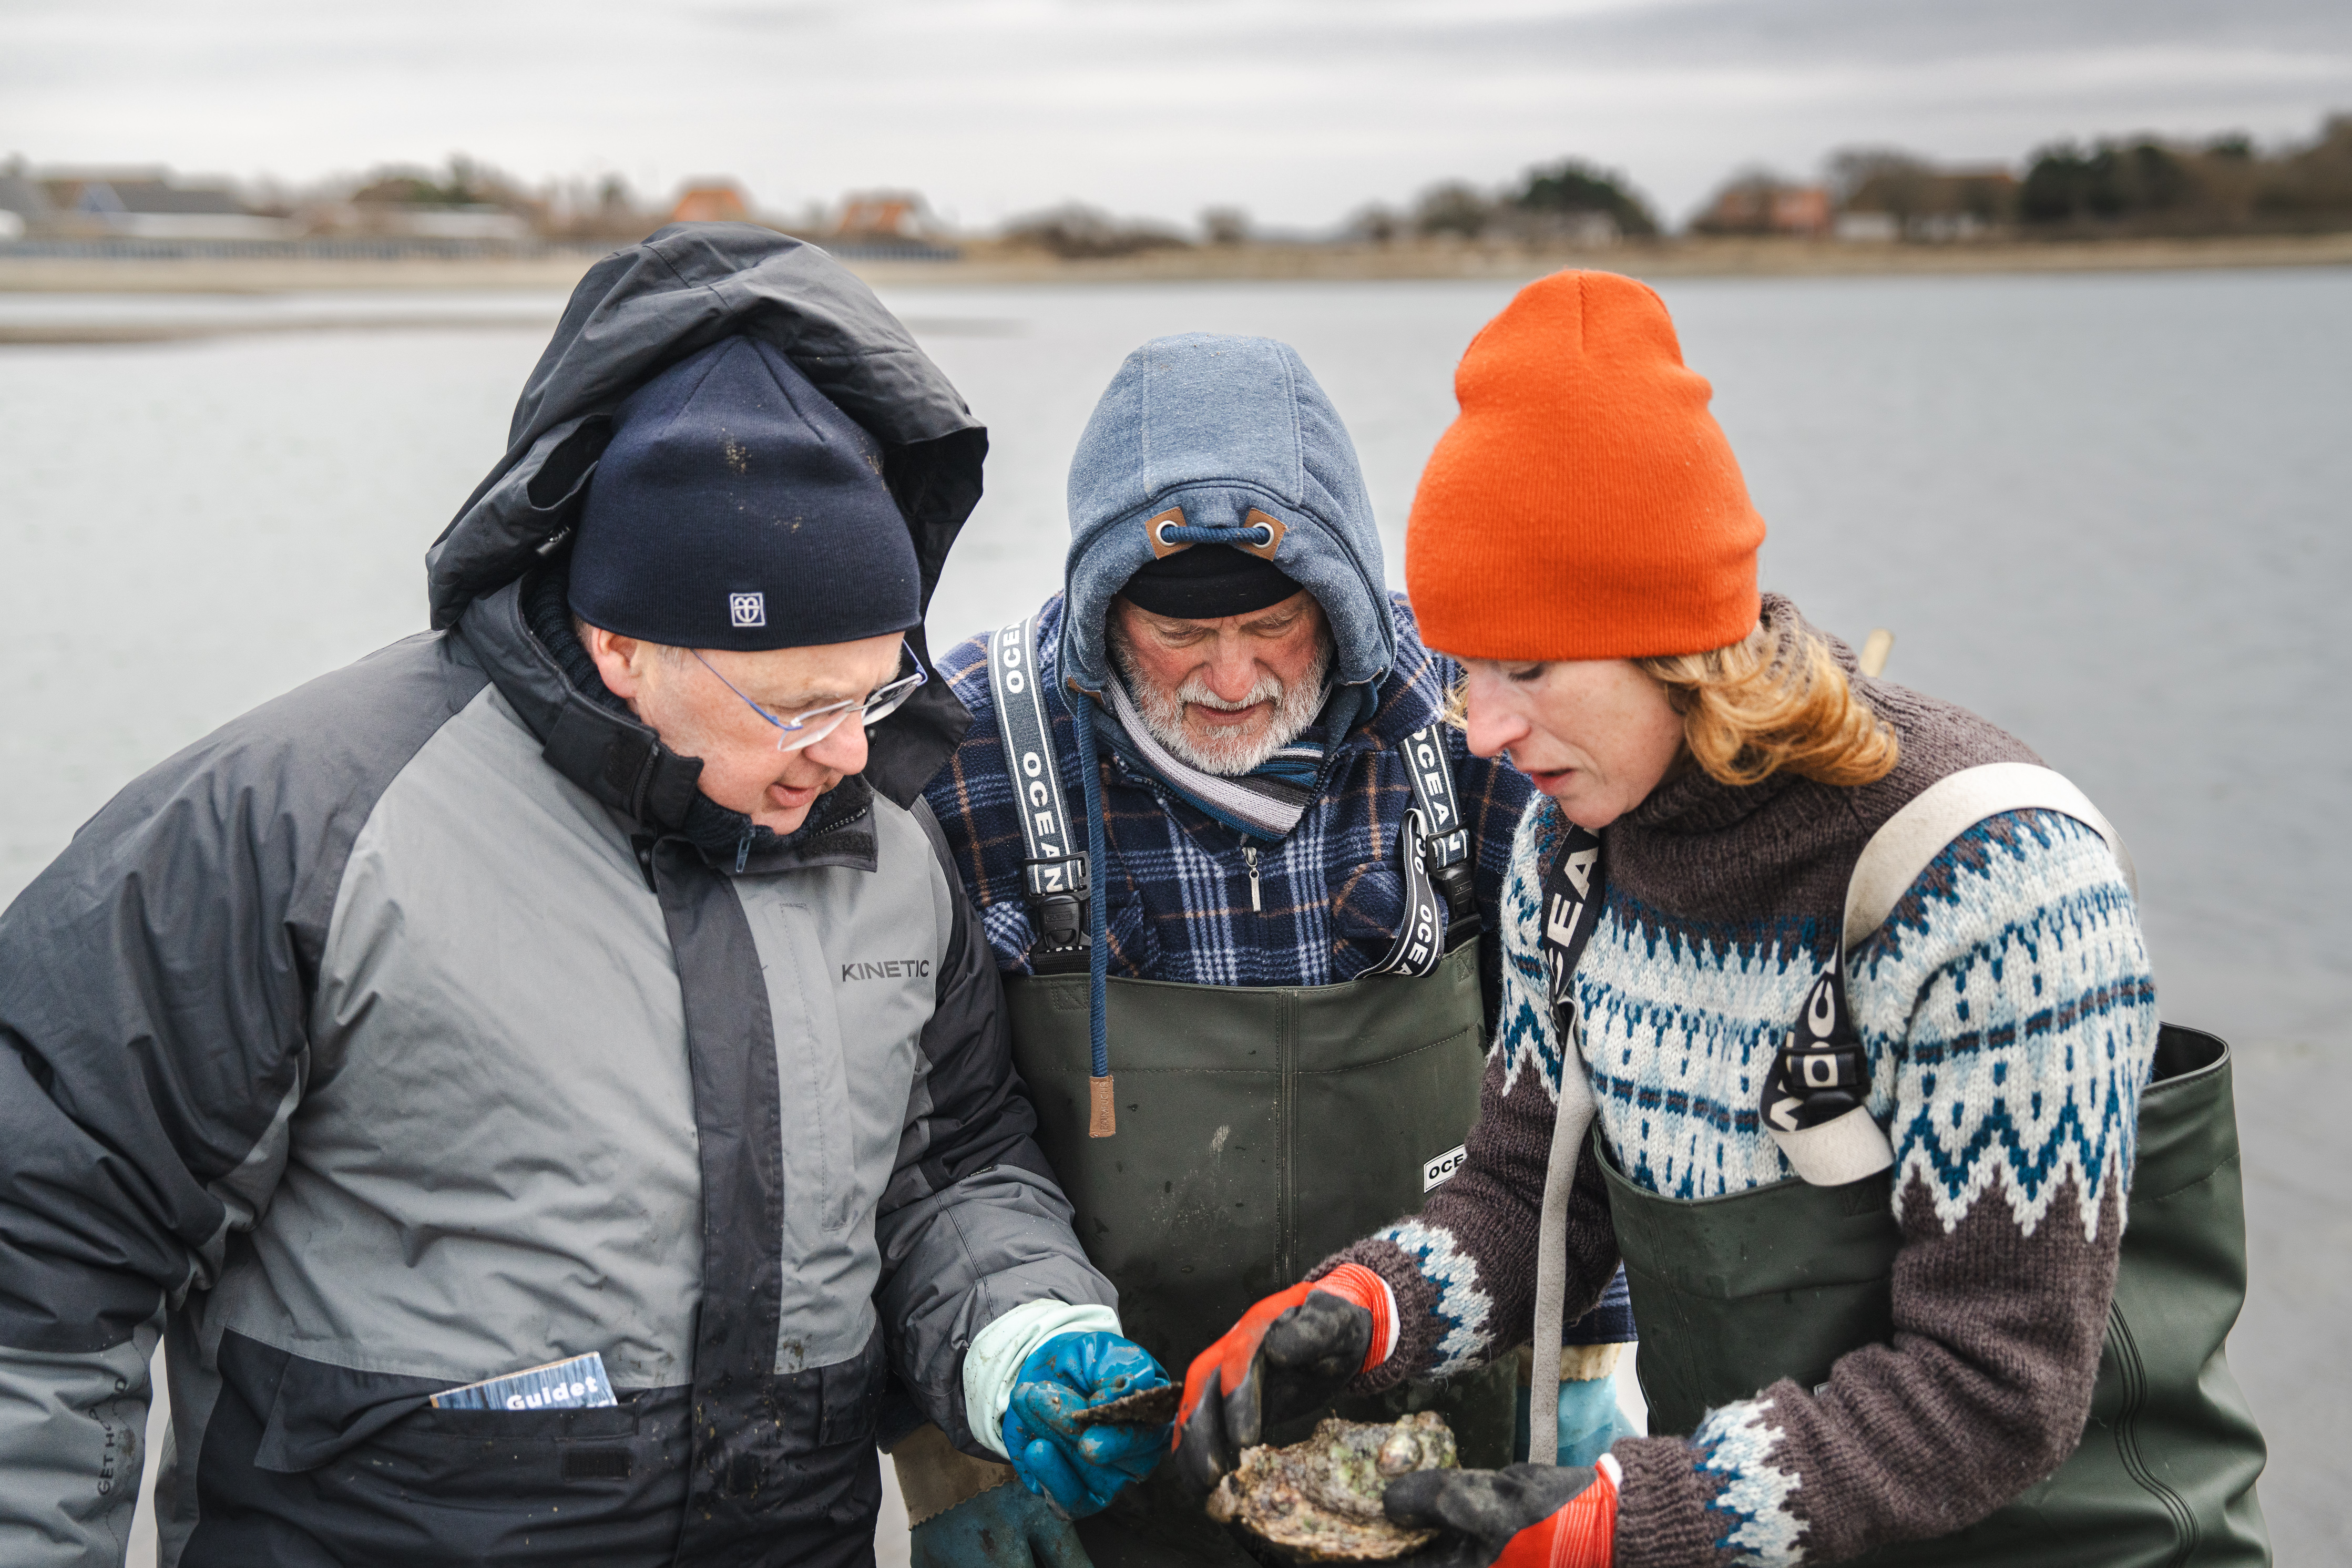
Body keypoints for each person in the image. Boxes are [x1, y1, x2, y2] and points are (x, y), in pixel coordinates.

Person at [0, 226, 1165, 1568]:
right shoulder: (297, 824)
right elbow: (45, 1247)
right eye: (794, 708)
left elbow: (951, 1162)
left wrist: (1020, 1327)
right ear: (622, 644)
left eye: (872, 688)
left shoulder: (889, 847)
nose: (849, 752)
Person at [1174, 271, 2269, 1565]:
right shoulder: (1568, 851)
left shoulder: (1991, 878)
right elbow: (1534, 1194)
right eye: (1465, 665)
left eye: (1527, 668)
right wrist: (1369, 1310)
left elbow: (1998, 1384)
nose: (1483, 726)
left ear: (1676, 641)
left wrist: (1629, 1519)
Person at [909, 333, 1636, 1568]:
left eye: (1272, 622)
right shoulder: (963, 748)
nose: (1231, 678)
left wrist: (1581, 1358)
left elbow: (1574, 1076)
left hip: (1438, 1422)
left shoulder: (1468, 722)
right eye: (1175, 634)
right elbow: (927, 1139)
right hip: (1090, 1447)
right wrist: (972, 1415)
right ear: (1101, 611)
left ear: (1339, 599)